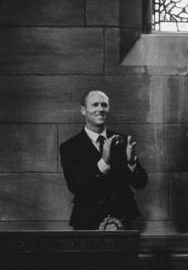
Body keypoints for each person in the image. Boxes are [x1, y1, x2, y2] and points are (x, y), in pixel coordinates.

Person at [60, 90, 147, 230]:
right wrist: (104, 162)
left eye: (104, 105)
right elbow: (75, 186)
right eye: (94, 105)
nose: (100, 109)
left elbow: (141, 183)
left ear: (108, 109)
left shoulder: (123, 141)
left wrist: (132, 163)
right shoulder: (70, 147)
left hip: (122, 222)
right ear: (83, 110)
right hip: (87, 223)